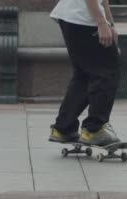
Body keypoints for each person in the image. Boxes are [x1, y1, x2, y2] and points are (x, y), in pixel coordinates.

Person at [48, 0, 121, 146]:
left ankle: (64, 128)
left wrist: (110, 23)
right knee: (107, 72)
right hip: (84, 19)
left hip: (72, 17)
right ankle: (94, 130)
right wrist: (101, 22)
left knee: (84, 75)